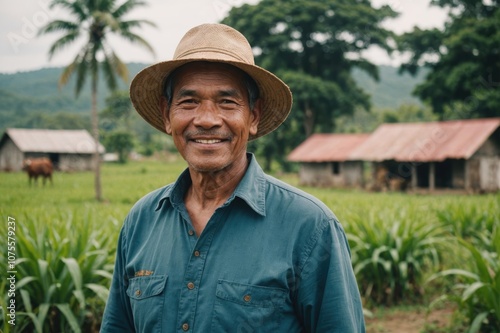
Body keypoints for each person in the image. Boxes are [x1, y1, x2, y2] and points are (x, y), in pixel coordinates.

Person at [101, 23, 365, 332]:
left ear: (252, 116)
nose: (207, 120)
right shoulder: (141, 222)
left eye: (227, 102)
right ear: (166, 115)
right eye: (188, 102)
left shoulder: (310, 227)